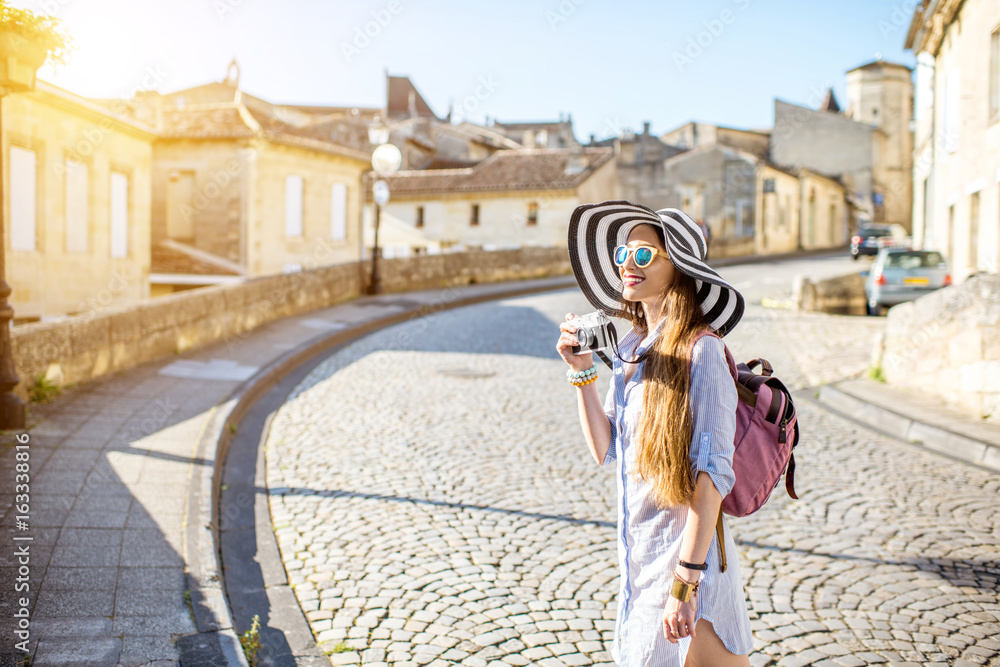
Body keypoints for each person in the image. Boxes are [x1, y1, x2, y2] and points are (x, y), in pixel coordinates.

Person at [558, 201, 752, 666]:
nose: (627, 263)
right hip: (640, 568)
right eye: (626, 253)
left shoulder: (702, 352)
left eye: (644, 255)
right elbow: (607, 450)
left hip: (687, 574)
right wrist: (582, 375)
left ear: (679, 269)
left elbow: (712, 480)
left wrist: (685, 586)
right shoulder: (631, 350)